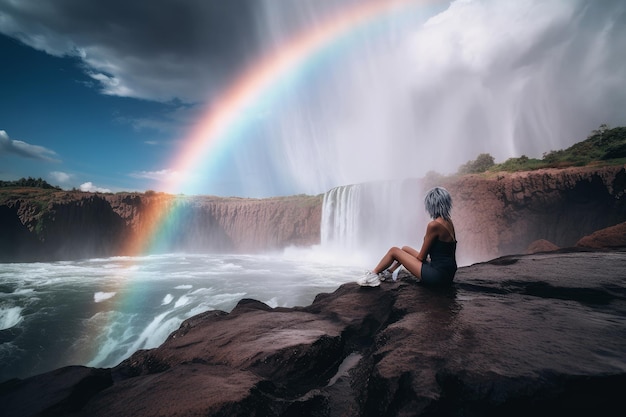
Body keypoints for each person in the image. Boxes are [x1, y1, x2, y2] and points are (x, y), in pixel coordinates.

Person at [357, 186, 457, 287]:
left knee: (394, 251)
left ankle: (373, 276)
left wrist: (404, 260)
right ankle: (389, 272)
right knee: (405, 249)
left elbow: (422, 257)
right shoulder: (448, 221)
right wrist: (405, 259)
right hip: (447, 272)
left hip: (437, 276)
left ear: (431, 205)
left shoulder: (434, 225)